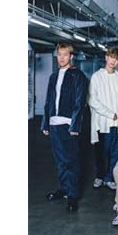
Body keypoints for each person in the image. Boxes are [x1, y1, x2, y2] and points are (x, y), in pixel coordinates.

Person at [41, 43, 89, 212]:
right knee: (60, 160)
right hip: (54, 123)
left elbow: (80, 102)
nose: (61, 58)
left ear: (71, 56)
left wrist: (75, 124)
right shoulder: (53, 77)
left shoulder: (78, 76)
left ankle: (73, 195)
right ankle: (64, 189)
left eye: (65, 54)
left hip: (68, 124)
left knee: (71, 161)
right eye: (59, 54)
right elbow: (48, 101)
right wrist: (45, 123)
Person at [88, 47, 118, 191]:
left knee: (115, 153)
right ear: (106, 57)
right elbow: (92, 100)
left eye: (117, 59)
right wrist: (109, 113)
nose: (114, 61)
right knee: (101, 152)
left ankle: (109, 178)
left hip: (117, 124)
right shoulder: (97, 77)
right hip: (102, 123)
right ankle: (100, 176)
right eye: (112, 57)